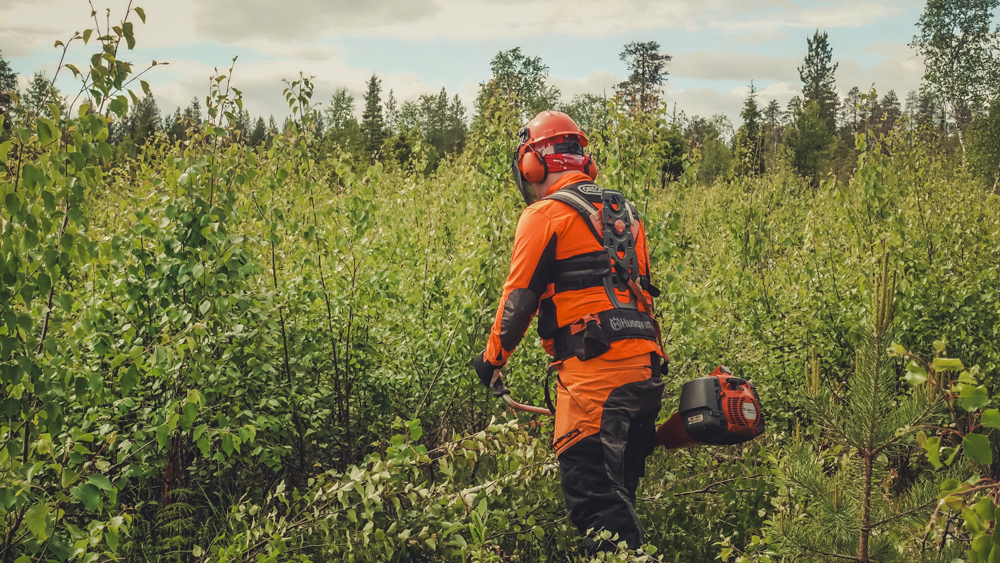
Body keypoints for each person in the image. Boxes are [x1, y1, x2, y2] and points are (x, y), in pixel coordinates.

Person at [473, 110, 666, 554]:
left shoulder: (545, 215)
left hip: (597, 382)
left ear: (532, 164)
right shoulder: (625, 213)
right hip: (645, 374)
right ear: (584, 160)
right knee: (618, 499)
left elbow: (518, 301)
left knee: (596, 508)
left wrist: (491, 361)